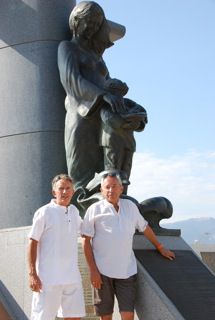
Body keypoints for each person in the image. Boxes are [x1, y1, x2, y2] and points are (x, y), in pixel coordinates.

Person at [82, 172, 175, 320]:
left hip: (127, 272)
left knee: (128, 315)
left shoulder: (130, 207)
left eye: (114, 186)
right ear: (101, 190)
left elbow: (145, 228)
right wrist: (93, 270)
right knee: (106, 317)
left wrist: (160, 246)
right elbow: (86, 242)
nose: (111, 190)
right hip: (102, 272)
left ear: (121, 189)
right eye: (107, 187)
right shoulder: (94, 209)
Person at [58, 1, 126, 189]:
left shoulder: (97, 55)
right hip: (80, 115)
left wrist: (115, 87)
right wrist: (103, 94)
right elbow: (72, 80)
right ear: (76, 21)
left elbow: (106, 81)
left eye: (96, 25)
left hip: (103, 117)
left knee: (106, 172)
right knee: (80, 173)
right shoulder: (67, 48)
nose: (91, 28)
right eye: (89, 22)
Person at [28, 174, 85, 320]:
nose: (65, 192)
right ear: (54, 192)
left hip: (72, 278)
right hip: (47, 280)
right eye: (61, 189)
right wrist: (32, 274)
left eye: (68, 189)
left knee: (74, 317)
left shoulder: (74, 211)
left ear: (73, 191)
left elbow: (86, 231)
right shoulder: (44, 212)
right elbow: (32, 242)